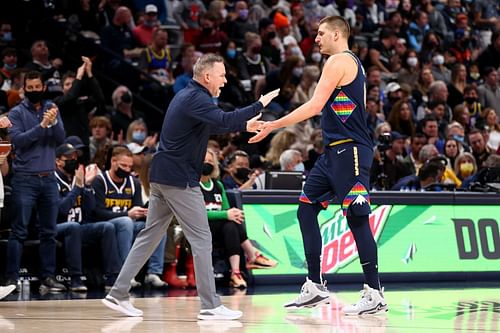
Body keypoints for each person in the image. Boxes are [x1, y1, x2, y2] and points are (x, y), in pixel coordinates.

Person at [102, 53, 279, 320]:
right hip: (178, 179)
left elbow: (215, 124)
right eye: (222, 75)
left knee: (150, 235)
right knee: (201, 237)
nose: (225, 80)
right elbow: (223, 120)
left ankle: (117, 293)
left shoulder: (188, 96)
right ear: (207, 76)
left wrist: (244, 124)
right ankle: (210, 305)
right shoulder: (197, 98)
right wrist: (259, 104)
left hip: (162, 176)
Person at [249, 16, 387, 315]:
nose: (317, 38)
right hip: (332, 153)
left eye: (322, 33)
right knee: (306, 207)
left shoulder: (339, 61)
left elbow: (314, 106)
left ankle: (375, 292)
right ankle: (314, 284)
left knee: (356, 216)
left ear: (338, 34)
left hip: (349, 151)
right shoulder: (353, 65)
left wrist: (273, 125)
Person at [5, 70, 67, 292]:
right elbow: (18, 142)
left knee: (49, 231)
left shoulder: (52, 109)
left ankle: (48, 277)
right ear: (24, 90)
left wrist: (53, 122)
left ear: (43, 87)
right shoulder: (15, 113)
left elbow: (61, 139)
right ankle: (11, 278)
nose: (33, 91)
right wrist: (41, 126)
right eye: (29, 88)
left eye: (36, 88)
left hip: (49, 177)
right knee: (19, 231)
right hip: (24, 179)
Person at [201, 149, 277, 289]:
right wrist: (226, 215)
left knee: (231, 225)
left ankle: (236, 273)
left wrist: (229, 214)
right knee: (230, 220)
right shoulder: (192, 186)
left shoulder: (218, 185)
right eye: (204, 161)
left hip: (220, 229)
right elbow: (197, 213)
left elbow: (226, 209)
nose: (207, 164)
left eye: (210, 161)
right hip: (200, 228)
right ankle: (252, 255)